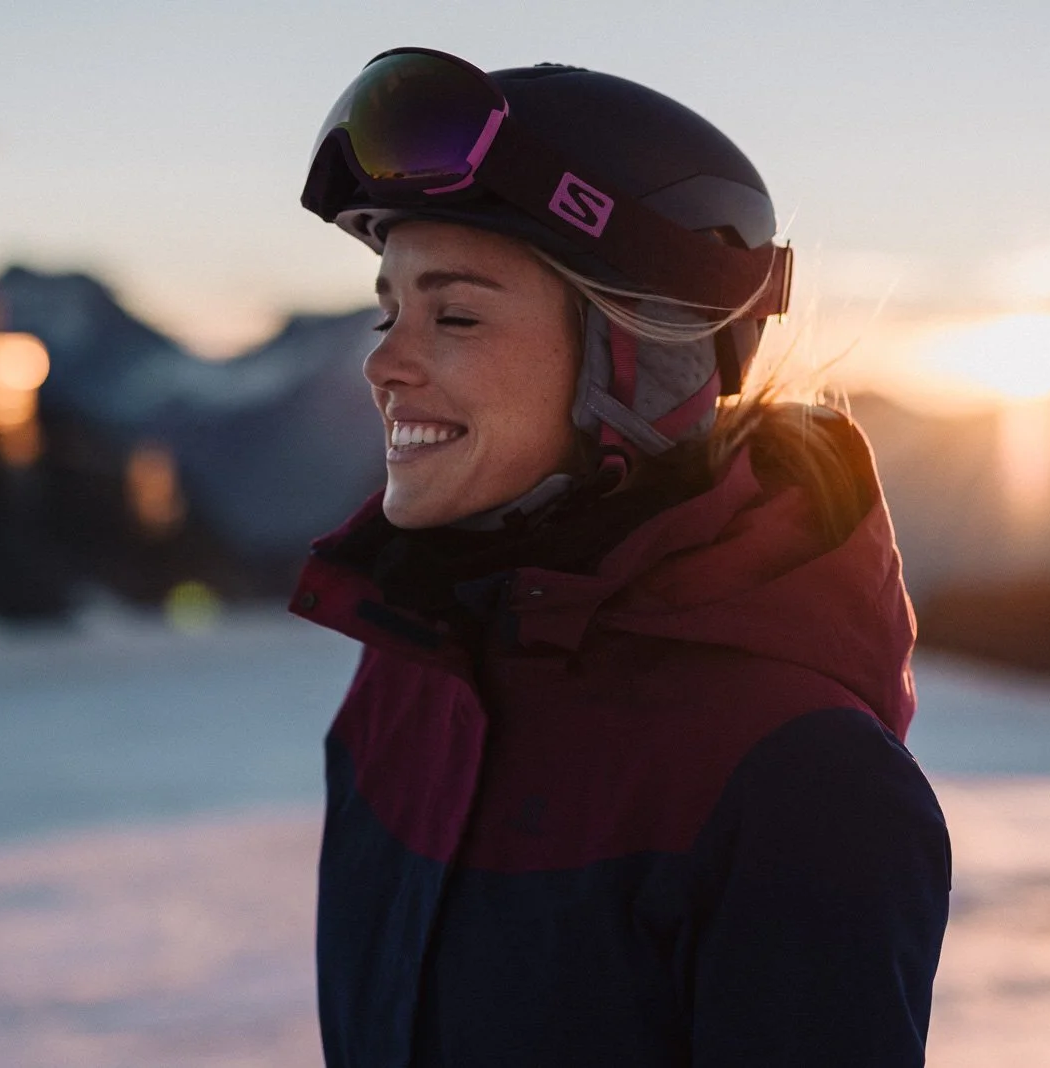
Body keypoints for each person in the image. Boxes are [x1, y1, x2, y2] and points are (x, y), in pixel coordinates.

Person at [290, 47, 952, 1067]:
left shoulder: (802, 781)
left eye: (454, 314)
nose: (382, 361)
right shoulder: (411, 673)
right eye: (390, 310)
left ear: (639, 363)